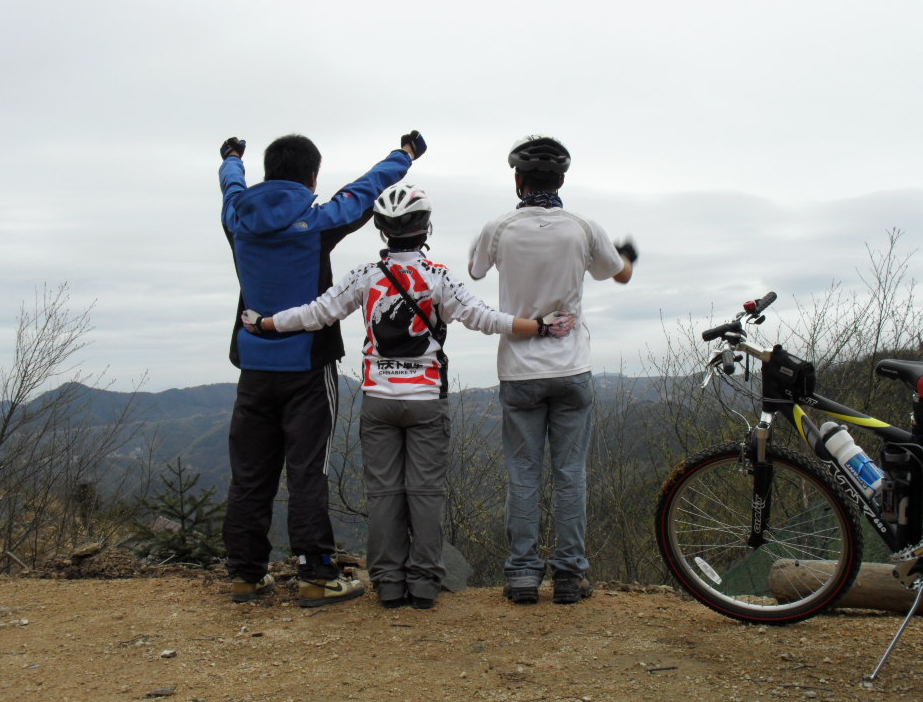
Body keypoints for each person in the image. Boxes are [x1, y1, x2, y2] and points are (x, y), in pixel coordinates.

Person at [242, 182, 574, 609]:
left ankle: (388, 583)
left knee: (383, 495)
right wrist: (541, 326)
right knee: (426, 494)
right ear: (426, 227)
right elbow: (484, 318)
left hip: (379, 399)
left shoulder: (365, 276)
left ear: (382, 230)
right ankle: (423, 585)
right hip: (425, 400)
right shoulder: (437, 278)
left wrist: (266, 323)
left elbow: (316, 314)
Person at [218, 130, 426, 607]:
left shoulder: (238, 219)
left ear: (269, 174)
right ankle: (316, 574)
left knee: (249, 473)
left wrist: (231, 158)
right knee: (308, 469)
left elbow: (231, 187)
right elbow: (366, 189)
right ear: (312, 177)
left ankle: (246, 574)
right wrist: (405, 154)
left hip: (253, 367)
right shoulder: (317, 222)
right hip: (308, 367)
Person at [468, 134, 637, 605]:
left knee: (523, 475)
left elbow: (476, 271)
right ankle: (569, 575)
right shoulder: (583, 228)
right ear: (562, 178)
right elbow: (618, 274)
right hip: (572, 370)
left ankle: (522, 574)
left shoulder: (498, 228)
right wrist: (628, 256)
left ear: (517, 179)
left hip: (519, 370)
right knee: (569, 473)